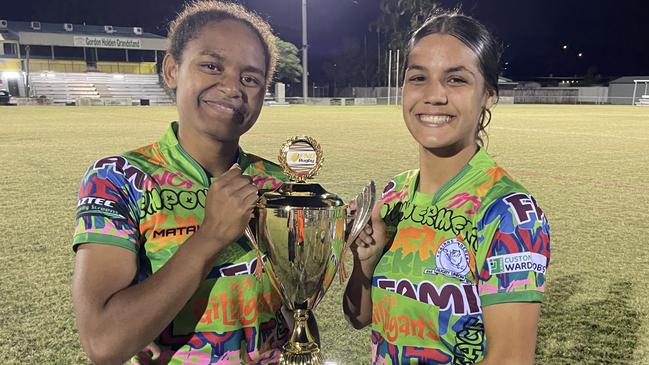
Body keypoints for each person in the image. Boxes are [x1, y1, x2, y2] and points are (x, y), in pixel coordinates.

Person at [71, 2, 307, 363]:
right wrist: (211, 236)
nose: (232, 87)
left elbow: (300, 319)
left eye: (251, 78)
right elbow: (103, 343)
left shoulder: (277, 184)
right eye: (212, 66)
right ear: (171, 70)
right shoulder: (118, 178)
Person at [343, 9, 551, 365]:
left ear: (488, 94)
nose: (433, 95)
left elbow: (510, 359)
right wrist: (364, 262)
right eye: (418, 77)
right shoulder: (394, 196)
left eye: (456, 80)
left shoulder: (510, 212)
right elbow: (360, 318)